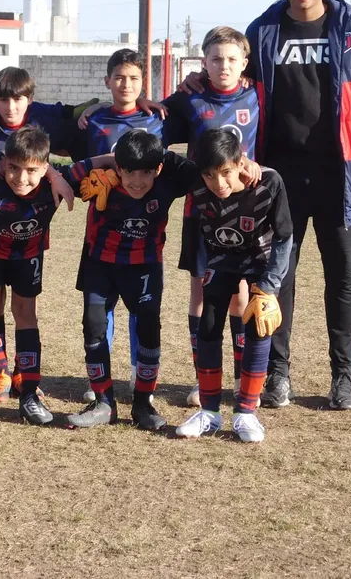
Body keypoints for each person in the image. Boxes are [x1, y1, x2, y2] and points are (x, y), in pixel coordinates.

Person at [234, 0, 351, 410]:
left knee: (343, 279)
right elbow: (233, 81)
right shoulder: (262, 30)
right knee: (277, 276)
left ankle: (343, 379)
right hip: (278, 177)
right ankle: (276, 374)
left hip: (342, 175)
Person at [0, 127, 110, 426]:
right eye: (14, 168)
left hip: (27, 257)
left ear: (45, 168)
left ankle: (29, 395)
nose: (21, 178)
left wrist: (57, 175)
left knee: (26, 314)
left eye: (31, 170)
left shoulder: (59, 179)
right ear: (4, 163)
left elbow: (103, 159)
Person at [65, 131, 201, 431]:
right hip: (100, 265)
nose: (137, 181)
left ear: (158, 169)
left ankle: (142, 404)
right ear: (118, 167)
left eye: (146, 173)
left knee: (149, 329)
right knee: (94, 327)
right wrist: (104, 162)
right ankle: (103, 403)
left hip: (144, 267)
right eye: (129, 172)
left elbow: (202, 171)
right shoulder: (101, 177)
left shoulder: (169, 180)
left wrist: (161, 157)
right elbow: (60, 176)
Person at [160, 26, 265, 407]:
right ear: (203, 62)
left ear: (244, 63)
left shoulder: (258, 94)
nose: (224, 66)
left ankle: (240, 378)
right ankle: (203, 377)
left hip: (245, 213)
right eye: (216, 59)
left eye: (232, 59)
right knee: (202, 296)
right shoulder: (190, 98)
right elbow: (152, 118)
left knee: (240, 296)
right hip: (201, 211)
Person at [174, 129, 292, 444]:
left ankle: (246, 413)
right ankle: (209, 413)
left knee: (258, 325)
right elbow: (153, 158)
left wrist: (269, 286)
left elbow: (284, 237)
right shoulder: (194, 178)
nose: (219, 183)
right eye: (209, 175)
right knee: (208, 325)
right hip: (221, 259)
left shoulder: (268, 182)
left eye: (225, 172)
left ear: (240, 163)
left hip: (260, 261)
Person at [68, 49, 166, 401]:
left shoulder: (158, 119)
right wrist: (92, 107)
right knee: (100, 308)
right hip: (102, 231)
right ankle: (101, 379)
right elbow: (76, 161)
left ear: (144, 83)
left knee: (143, 311)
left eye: (134, 78)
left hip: (144, 234)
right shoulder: (93, 121)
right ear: (107, 80)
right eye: (119, 78)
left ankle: (141, 376)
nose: (126, 84)